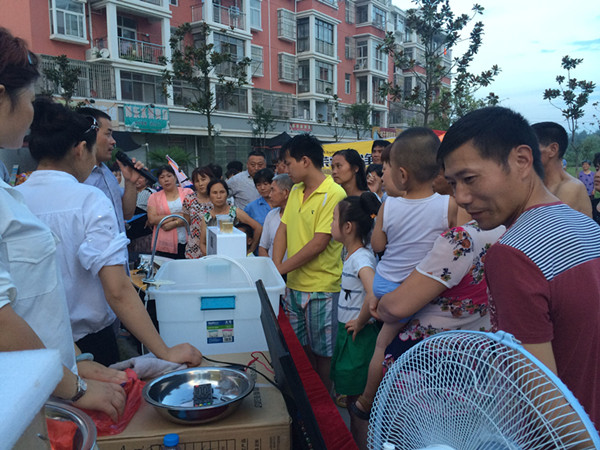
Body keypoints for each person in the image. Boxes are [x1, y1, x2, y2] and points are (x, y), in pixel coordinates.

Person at [438, 106, 600, 428]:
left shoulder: (512, 255)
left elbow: (547, 405)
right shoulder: (585, 225)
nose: (461, 197)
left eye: (469, 179)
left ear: (522, 160)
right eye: (453, 184)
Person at [18, 98, 203, 370]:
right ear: (80, 149)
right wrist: (164, 351)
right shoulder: (88, 198)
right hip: (89, 341)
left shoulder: (13, 199)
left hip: (30, 344)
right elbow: (117, 290)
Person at [0, 29, 126, 421]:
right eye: (28, 98)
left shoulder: (13, 190)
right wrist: (75, 387)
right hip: (31, 396)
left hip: (49, 379)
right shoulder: (88, 198)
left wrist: (75, 362)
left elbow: (35, 303)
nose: (31, 111)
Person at [351, 128, 457, 421]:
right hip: (413, 288)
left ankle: (366, 397)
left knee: (381, 341)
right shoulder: (448, 205)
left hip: (385, 281)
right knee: (386, 340)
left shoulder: (390, 204)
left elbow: (378, 245)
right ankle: (367, 400)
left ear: (402, 174)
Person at [273, 134, 347, 392]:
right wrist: (275, 268)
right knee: (299, 349)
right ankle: (307, 395)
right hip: (293, 285)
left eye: (288, 163)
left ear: (305, 161)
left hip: (321, 288)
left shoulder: (334, 193)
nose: (285, 169)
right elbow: (283, 229)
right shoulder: (295, 190)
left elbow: (319, 243)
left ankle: (324, 399)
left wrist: (279, 269)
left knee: (323, 353)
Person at [329, 193, 380, 411]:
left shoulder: (360, 258)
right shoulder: (352, 254)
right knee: (351, 395)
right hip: (350, 332)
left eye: (333, 219)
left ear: (347, 227)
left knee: (356, 397)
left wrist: (360, 321)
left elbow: (373, 291)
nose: (331, 224)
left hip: (359, 335)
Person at [77, 107, 144, 236]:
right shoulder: (77, 178)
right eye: (108, 134)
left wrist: (130, 182)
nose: (113, 141)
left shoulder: (106, 171)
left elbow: (127, 214)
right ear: (90, 134)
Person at [531, 122, 591, 217]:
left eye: (531, 148)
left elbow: (548, 223)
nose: (524, 154)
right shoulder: (539, 184)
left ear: (553, 149)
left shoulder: (571, 187)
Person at [199, 179, 262, 255]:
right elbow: (202, 243)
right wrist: (212, 256)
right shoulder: (207, 217)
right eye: (214, 193)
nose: (219, 196)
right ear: (209, 196)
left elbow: (258, 228)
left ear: (227, 194)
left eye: (222, 192)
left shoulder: (235, 212)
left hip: (236, 256)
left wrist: (250, 250)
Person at [147, 165, 193, 259]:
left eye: (169, 176)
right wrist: (175, 215)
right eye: (162, 177)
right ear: (159, 181)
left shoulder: (188, 192)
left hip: (188, 240)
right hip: (165, 243)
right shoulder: (154, 197)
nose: (166, 180)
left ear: (175, 177)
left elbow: (193, 215)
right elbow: (152, 219)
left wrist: (174, 223)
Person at [182, 166, 215, 259]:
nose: (200, 184)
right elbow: (187, 223)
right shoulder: (189, 199)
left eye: (203, 179)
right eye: (197, 181)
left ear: (211, 179)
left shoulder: (217, 198)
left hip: (214, 245)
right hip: (194, 247)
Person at [258, 173, 293, 258]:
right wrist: (271, 265)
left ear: (285, 193)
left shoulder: (299, 217)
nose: (270, 195)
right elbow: (262, 248)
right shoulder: (271, 215)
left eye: (273, 190)